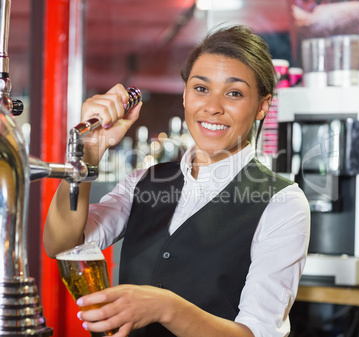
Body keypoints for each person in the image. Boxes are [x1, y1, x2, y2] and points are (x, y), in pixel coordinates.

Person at [44, 25, 310, 337]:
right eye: (201, 88)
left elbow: (257, 333)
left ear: (262, 106)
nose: (212, 106)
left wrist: (164, 307)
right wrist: (89, 152)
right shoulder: (143, 181)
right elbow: (61, 244)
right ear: (185, 95)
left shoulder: (283, 203)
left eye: (234, 93)